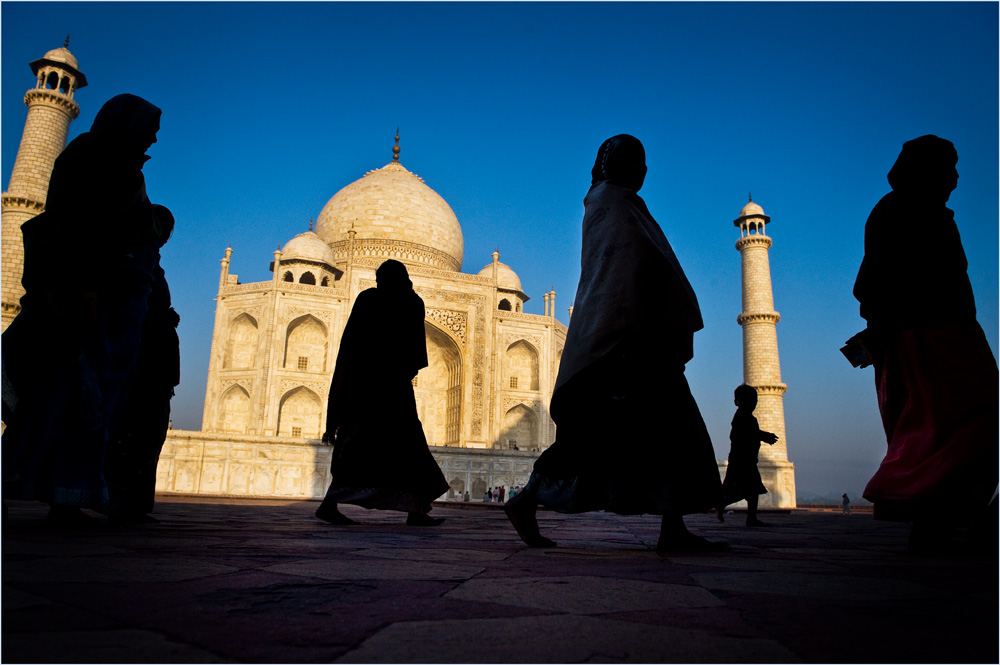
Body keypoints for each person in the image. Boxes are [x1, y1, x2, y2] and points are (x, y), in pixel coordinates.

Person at [504, 134, 727, 552]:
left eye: (643, 164)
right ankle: (525, 501)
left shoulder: (611, 204)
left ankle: (671, 527)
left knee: (664, 433)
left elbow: (639, 267)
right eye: (634, 162)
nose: (642, 171)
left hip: (629, 338)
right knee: (609, 438)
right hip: (624, 344)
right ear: (614, 166)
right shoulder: (613, 205)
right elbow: (629, 269)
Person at [2, 94, 163, 529]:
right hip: (81, 303)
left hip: (112, 314)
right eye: (148, 130)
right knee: (58, 402)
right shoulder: (92, 157)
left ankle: (67, 500)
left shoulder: (125, 168)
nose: (152, 139)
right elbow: (81, 227)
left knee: (88, 411)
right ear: (126, 126)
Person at [853, 135, 998, 553]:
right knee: (952, 424)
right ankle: (935, 518)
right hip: (931, 336)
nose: (955, 176)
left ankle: (938, 519)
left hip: (933, 333)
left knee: (942, 426)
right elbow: (884, 279)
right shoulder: (902, 210)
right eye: (947, 167)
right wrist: (884, 328)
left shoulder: (911, 210)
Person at [315, 259, 449, 527]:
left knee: (357, 446)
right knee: (408, 448)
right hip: (392, 387)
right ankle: (415, 511)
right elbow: (414, 351)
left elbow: (350, 345)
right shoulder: (411, 301)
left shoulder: (369, 299)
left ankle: (332, 504)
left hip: (363, 387)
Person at [104, 205, 180, 523]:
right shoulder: (130, 257)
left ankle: (133, 501)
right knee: (130, 430)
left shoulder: (149, 260)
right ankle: (117, 499)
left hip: (152, 359)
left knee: (147, 431)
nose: (163, 236)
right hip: (135, 356)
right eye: (160, 228)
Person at [717, 385, 777, 527]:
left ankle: (750, 517)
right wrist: (764, 436)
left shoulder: (748, 418)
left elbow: (751, 433)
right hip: (741, 461)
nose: (751, 404)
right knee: (739, 490)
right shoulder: (741, 417)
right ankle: (721, 504)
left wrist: (762, 436)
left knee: (751, 490)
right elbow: (745, 434)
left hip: (747, 460)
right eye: (746, 400)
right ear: (736, 402)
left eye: (753, 400)